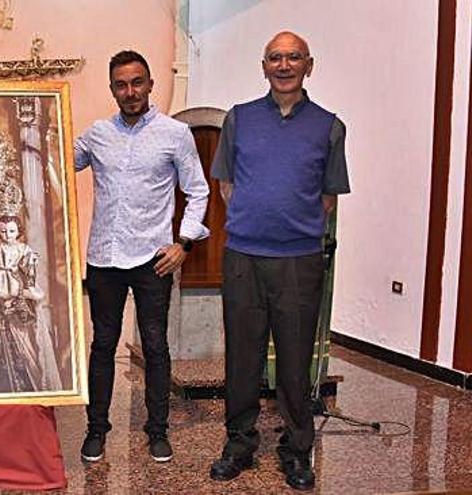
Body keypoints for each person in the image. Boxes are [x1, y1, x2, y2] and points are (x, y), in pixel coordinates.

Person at [208, 31, 350, 492]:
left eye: (293, 58)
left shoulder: (329, 126)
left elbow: (326, 197)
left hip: (299, 260)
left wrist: (288, 226)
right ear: (263, 65)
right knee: (242, 357)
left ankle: (296, 450)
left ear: (310, 65)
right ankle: (239, 444)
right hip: (244, 256)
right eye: (275, 58)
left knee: (294, 359)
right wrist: (258, 222)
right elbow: (226, 188)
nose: (284, 65)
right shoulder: (239, 119)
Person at [74, 50, 210, 463]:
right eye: (121, 84)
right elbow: (57, 164)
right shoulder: (96, 134)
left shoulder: (174, 134)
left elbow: (199, 190)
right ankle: (96, 429)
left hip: (153, 259)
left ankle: (157, 431)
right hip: (104, 258)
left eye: (137, 83)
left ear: (150, 84)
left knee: (155, 346)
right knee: (102, 346)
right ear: (111, 88)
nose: (130, 91)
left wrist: (183, 244)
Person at [0, 214, 61, 393]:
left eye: (11, 231)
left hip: (15, 280)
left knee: (18, 303)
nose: (7, 235)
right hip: (0, 279)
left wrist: (30, 261)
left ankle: (20, 325)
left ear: (18, 231)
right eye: (3, 231)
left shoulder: (22, 248)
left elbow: (28, 266)